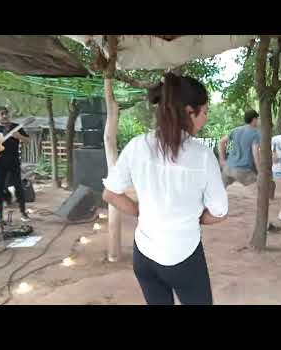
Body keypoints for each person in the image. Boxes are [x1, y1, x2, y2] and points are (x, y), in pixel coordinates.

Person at [102, 73, 228, 305]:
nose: (206, 118)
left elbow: (110, 193)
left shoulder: (137, 146)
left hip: (144, 256)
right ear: (190, 112)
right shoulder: (201, 156)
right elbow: (219, 212)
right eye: (205, 112)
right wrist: (193, 218)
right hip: (183, 256)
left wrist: (143, 212)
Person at [0, 106, 31, 223]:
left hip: (13, 161)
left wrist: (18, 136)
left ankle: (23, 212)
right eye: (2, 114)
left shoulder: (15, 127)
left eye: (6, 113)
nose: (5, 116)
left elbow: (27, 140)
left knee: (18, 186)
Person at [218, 110, 261, 188]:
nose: (258, 121)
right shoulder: (256, 133)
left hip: (228, 168)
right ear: (254, 119)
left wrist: (222, 160)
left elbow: (221, 142)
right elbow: (256, 154)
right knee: (258, 188)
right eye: (257, 119)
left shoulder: (235, 130)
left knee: (219, 191)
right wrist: (260, 171)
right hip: (243, 170)